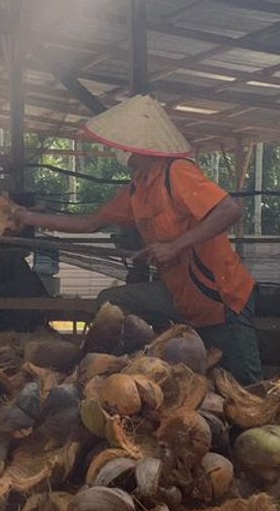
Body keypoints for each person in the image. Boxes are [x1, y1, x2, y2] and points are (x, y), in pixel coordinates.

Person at [13, 95, 262, 384]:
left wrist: (174, 246)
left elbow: (230, 209)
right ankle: (129, 367)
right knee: (112, 303)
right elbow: (90, 222)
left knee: (248, 386)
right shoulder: (137, 190)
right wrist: (29, 218)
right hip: (180, 300)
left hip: (221, 300)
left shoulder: (177, 173)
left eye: (127, 151)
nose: (126, 159)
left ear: (141, 148)